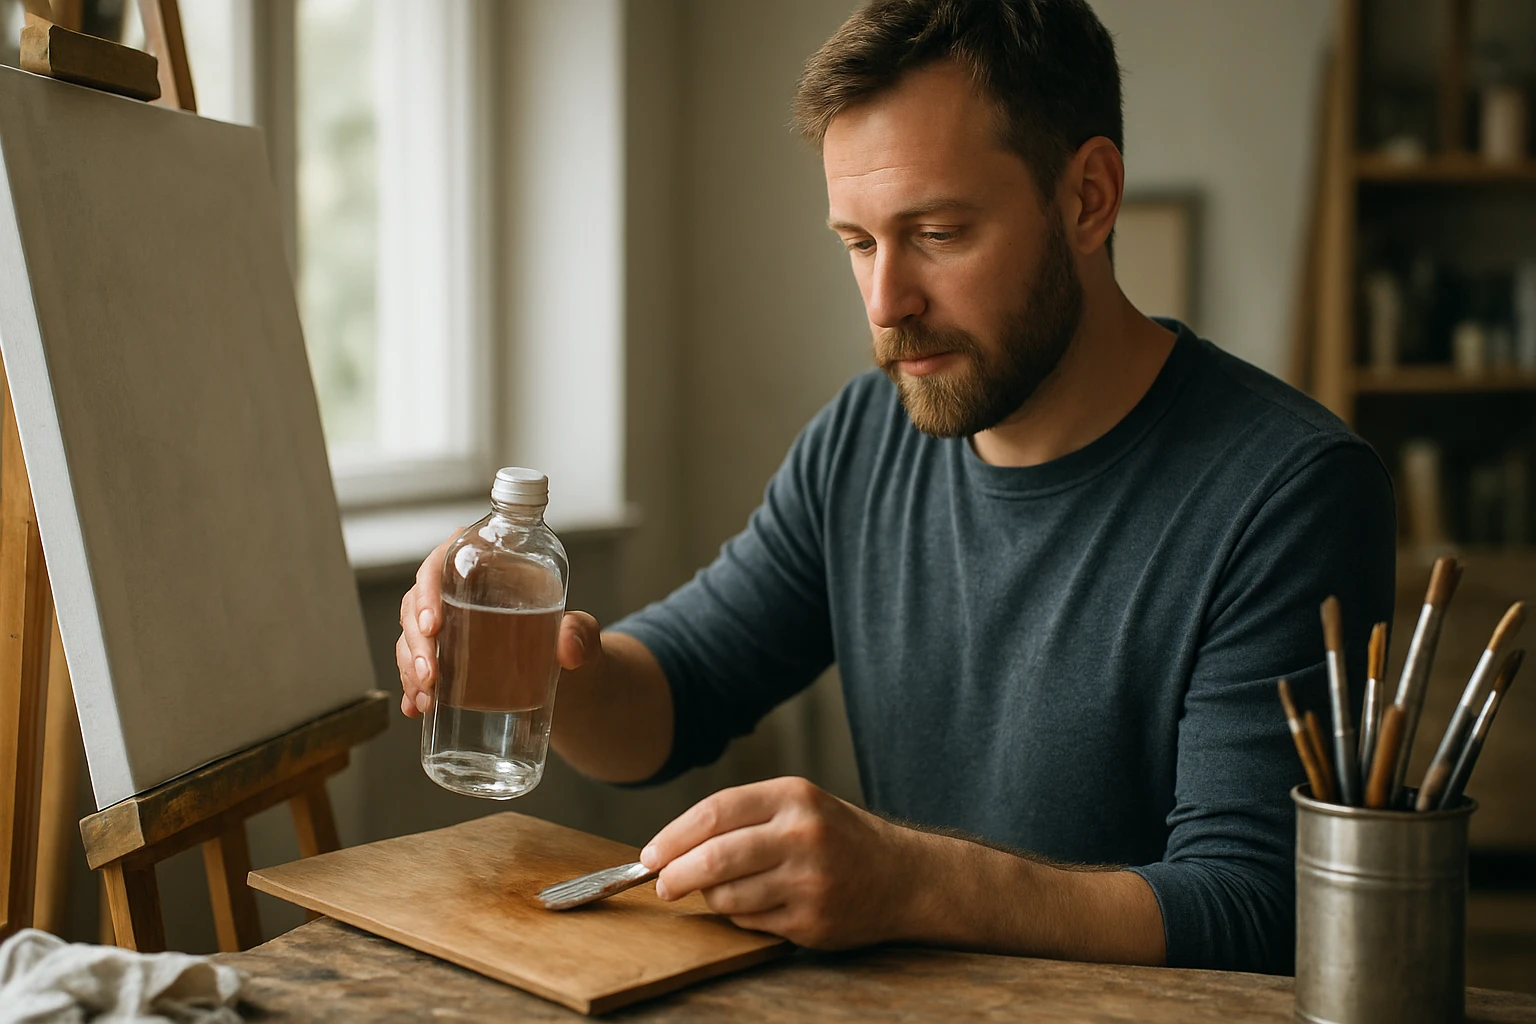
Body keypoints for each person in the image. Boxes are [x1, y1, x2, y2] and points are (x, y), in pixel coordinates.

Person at [396, 0, 1394, 974]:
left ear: (1088, 197)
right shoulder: (864, 438)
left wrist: (911, 880)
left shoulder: (1289, 492)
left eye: (940, 233)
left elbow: (1255, 906)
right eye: (860, 242)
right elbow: (672, 696)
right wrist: (542, 661)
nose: (886, 303)